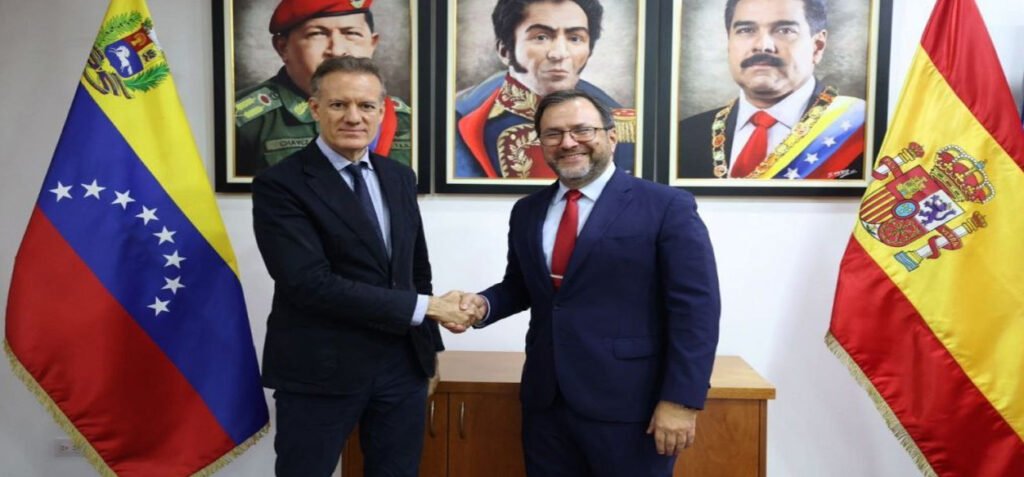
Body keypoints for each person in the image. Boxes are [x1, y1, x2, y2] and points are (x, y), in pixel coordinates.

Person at [454, 89, 721, 476]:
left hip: (632, 407)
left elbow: (696, 311)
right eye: (553, 133)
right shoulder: (527, 211)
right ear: (541, 143)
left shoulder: (666, 206)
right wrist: (483, 305)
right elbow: (522, 286)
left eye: (582, 130)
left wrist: (682, 401)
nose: (568, 143)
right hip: (547, 404)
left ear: (611, 137)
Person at [252, 56, 475, 477]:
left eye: (366, 105)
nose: (353, 117)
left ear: (382, 111)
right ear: (315, 108)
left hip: (401, 368)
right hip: (319, 369)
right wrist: (427, 308)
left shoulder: (398, 176)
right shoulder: (280, 184)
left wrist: (428, 352)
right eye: (339, 105)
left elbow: (416, 270)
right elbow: (308, 283)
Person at [678, 0, 866, 180]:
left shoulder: (861, 131)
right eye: (746, 30)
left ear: (817, 47)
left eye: (785, 30)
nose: (763, 46)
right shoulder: (685, 135)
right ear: (729, 43)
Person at [454, 0, 637, 179]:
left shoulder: (619, 122)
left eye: (575, 38)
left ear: (589, 50)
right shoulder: (460, 117)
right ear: (505, 51)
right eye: (541, 37)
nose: (559, 54)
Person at [236, 0, 413, 177]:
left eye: (351, 33)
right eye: (317, 34)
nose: (336, 51)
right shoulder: (243, 122)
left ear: (372, 44)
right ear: (283, 47)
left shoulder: (407, 120)